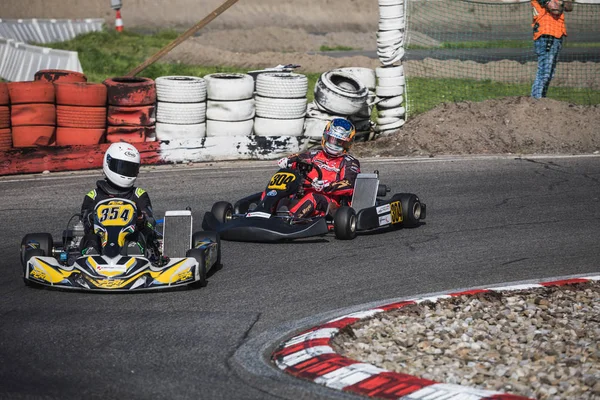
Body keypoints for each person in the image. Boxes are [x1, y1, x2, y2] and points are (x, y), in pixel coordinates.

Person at [80, 142, 157, 257]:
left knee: (139, 234)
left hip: (129, 239)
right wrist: (91, 217)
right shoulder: (94, 195)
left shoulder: (139, 194)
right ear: (108, 162)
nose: (125, 173)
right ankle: (91, 255)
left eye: (130, 168)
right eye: (122, 167)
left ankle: (135, 253)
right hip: (101, 241)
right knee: (91, 236)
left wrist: (142, 218)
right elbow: (85, 222)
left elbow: (150, 221)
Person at [274, 117, 361, 219]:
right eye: (331, 139)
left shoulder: (349, 162)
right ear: (325, 137)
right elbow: (298, 158)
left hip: (330, 202)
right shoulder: (314, 154)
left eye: (340, 142)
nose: (334, 145)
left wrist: (326, 185)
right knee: (281, 190)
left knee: (313, 196)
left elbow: (349, 185)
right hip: (303, 194)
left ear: (348, 144)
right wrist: (288, 161)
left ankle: (289, 218)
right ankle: (264, 211)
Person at [531, 0, 573, 99]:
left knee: (550, 73)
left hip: (557, 35)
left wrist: (562, 4)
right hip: (546, 35)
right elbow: (555, 9)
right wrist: (562, 3)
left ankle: (542, 99)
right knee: (544, 73)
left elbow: (569, 7)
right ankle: (535, 101)